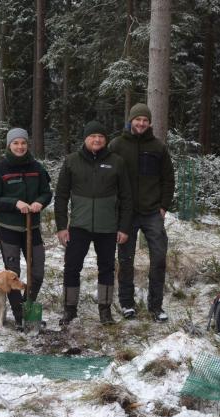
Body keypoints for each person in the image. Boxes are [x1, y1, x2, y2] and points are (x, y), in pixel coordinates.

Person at [55, 121, 132, 326]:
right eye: (92, 136)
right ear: (85, 139)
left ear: (105, 140)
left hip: (108, 227)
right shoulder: (71, 161)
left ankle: (105, 311)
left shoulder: (117, 162)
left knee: (106, 268)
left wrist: (124, 227)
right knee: (72, 267)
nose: (97, 140)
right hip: (78, 226)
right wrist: (61, 226)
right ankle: (69, 310)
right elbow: (61, 195)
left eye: (101, 136)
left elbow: (126, 197)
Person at [109, 103, 175, 322]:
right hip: (126, 214)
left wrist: (163, 206)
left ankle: (156, 306)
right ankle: (127, 303)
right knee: (126, 259)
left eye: (145, 120)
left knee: (159, 258)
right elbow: (108, 177)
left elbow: (168, 179)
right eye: (138, 119)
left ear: (149, 123)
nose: (141, 123)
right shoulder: (117, 145)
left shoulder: (158, 147)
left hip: (152, 212)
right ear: (131, 120)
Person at [0, 128, 53, 328]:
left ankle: (28, 305)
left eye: (23, 142)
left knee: (37, 271)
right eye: (15, 143)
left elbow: (46, 192)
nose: (20, 146)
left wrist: (40, 202)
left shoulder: (37, 168)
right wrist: (15, 203)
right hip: (8, 228)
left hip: (33, 228)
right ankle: (19, 316)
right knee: (12, 274)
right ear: (9, 145)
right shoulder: (0, 168)